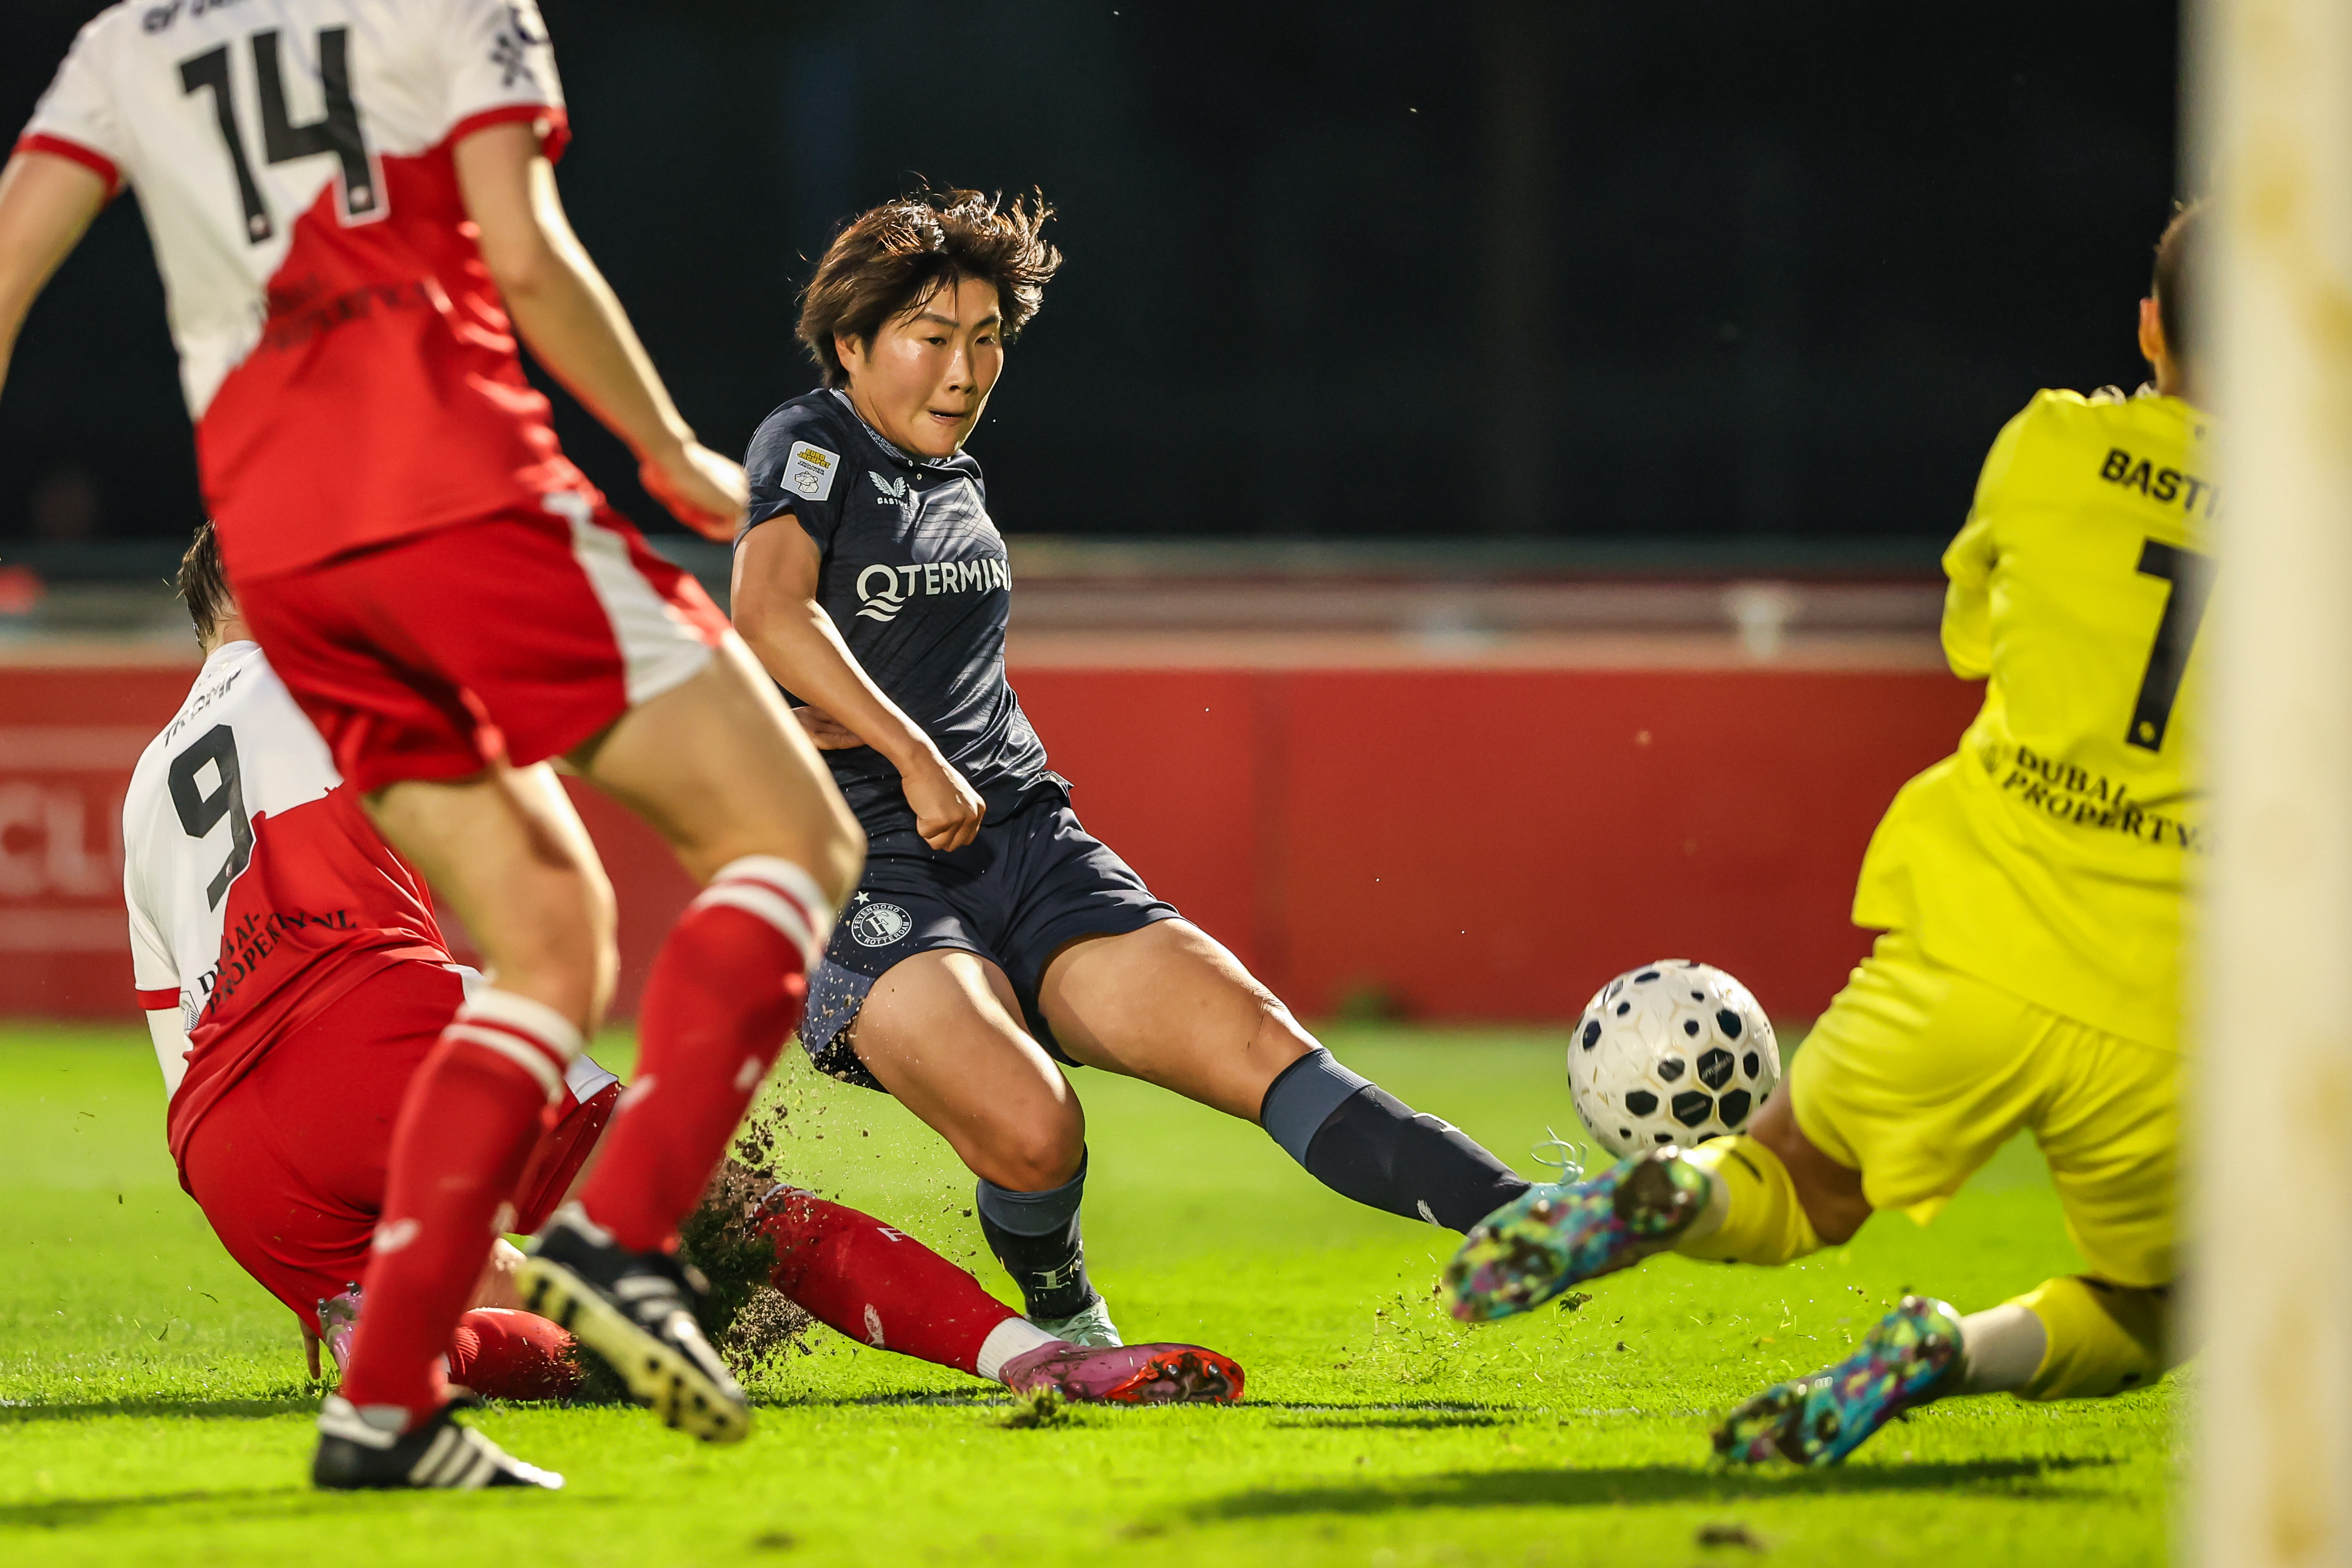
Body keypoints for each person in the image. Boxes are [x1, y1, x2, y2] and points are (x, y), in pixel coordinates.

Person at [3, 2, 865, 1488]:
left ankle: (391, 1399)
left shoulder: (126, 42)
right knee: (800, 835)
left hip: (292, 555)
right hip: (450, 492)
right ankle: (616, 1238)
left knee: (549, 934)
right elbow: (522, 253)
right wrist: (662, 444)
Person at [124, 526, 1245, 1425]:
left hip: (227, 1147)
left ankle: (403, 1336)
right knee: (746, 1224)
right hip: (382, 1029)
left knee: (556, 1328)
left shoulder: (143, 787)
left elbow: (177, 1040)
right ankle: (1038, 1357)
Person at [1447, 206, 2207, 1466]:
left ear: (2149, 327)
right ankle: (1945, 1352)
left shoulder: (2056, 442)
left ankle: (1672, 1188)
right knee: (2164, 1301)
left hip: (1976, 934)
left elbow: (1974, 637)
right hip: (2172, 995)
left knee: (1797, 1181)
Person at [727, 188, 1533, 1345]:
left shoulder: (954, 477)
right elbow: (769, 610)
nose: (965, 372)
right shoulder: (811, 440)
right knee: (1037, 1131)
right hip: (869, 870)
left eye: (988, 339)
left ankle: (1536, 1219)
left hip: (1026, 844)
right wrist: (911, 754)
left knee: (1261, 1043)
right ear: (850, 346)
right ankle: (1063, 1303)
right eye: (932, 337)